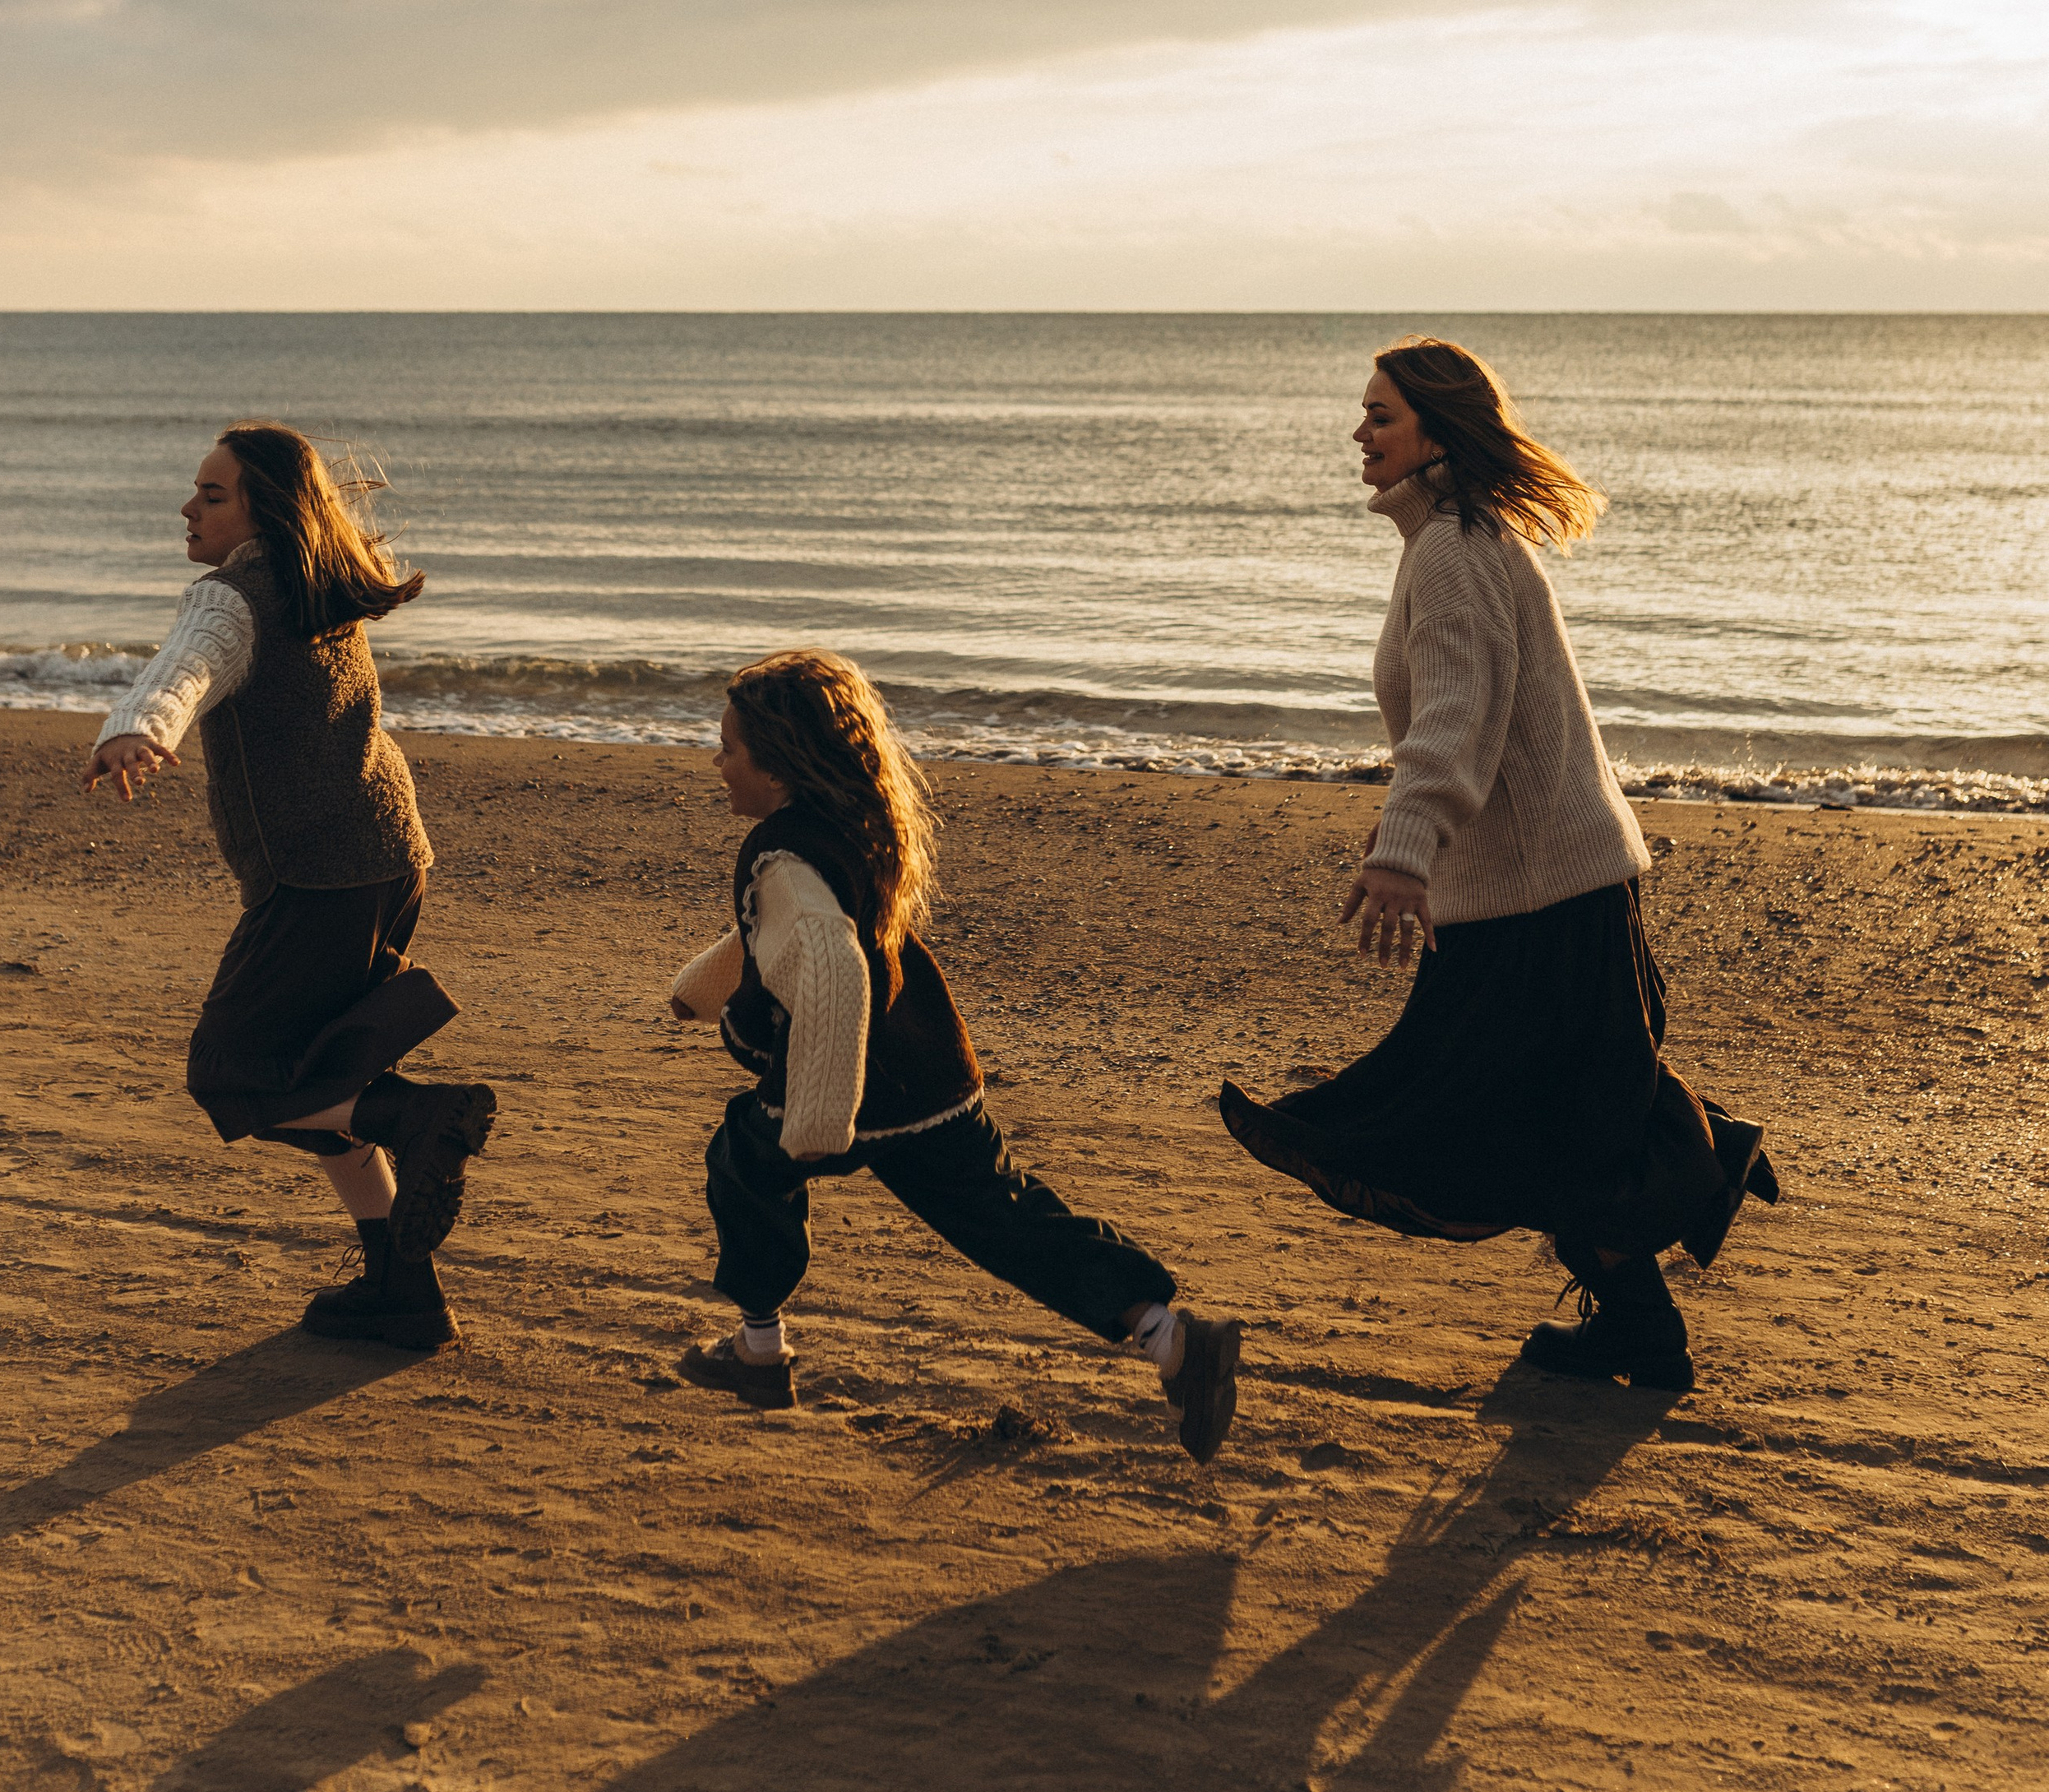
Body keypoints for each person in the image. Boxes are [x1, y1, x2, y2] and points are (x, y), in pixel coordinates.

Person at [1218, 337, 1775, 1391]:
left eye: (1380, 415)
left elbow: (1455, 719)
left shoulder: (1454, 550)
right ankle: (1659, 1281)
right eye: (1365, 413)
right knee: (1557, 1105)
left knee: (1495, 1111)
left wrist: (1402, 853)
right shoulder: (1457, 536)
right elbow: (1466, 716)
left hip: (1539, 899)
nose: (1360, 432)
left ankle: (1670, 1256)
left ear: (1436, 428)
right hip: (1541, 888)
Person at [668, 648, 1242, 1463]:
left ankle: (758, 1354)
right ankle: (1172, 1339)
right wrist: (698, 990)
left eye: (729, 748)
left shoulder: (784, 857)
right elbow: (775, 939)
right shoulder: (845, 822)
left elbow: (826, 965)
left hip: (853, 1079)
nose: (716, 762)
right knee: (1000, 1215)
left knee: (745, 1161)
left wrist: (819, 1118)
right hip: (928, 1068)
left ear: (778, 761)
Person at [84, 422, 497, 1350]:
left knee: (231, 1075)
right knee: (323, 1083)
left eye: (213, 494)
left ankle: (417, 1114)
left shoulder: (232, 596)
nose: (189, 508)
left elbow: (187, 667)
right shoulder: (321, 591)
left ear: (263, 510)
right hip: (390, 854)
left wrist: (139, 728)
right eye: (195, 491)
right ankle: (402, 1290)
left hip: (320, 878)